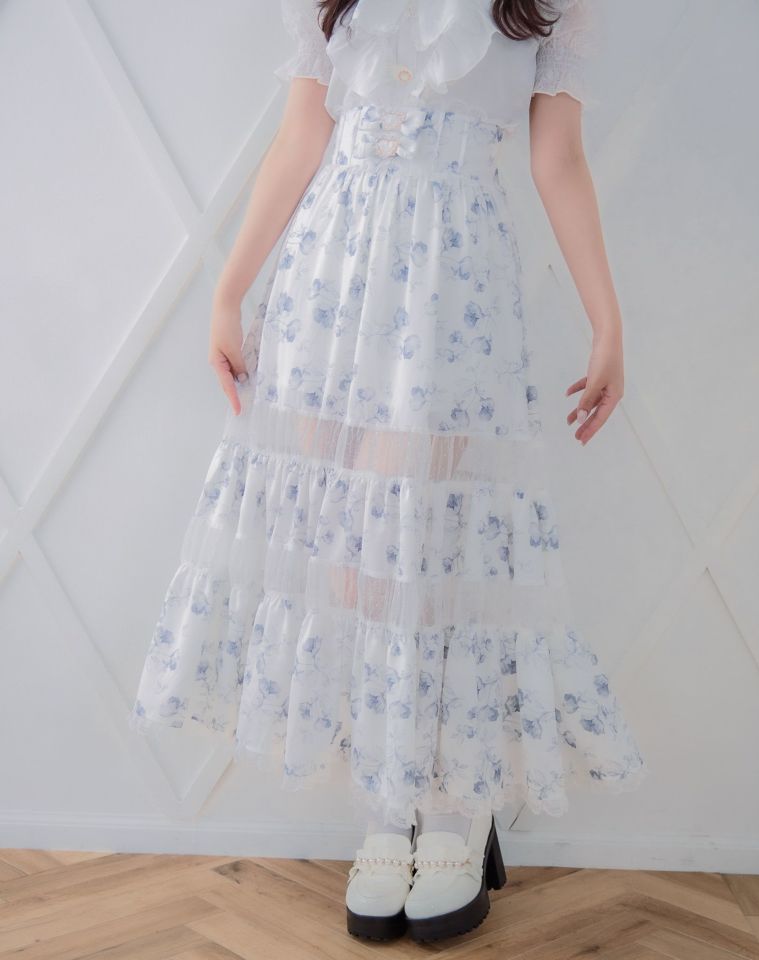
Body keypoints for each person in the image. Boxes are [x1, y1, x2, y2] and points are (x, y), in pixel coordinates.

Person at [128, 0, 648, 944]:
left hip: (455, 284)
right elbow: (301, 136)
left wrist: (608, 319)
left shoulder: (548, 6)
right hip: (329, 280)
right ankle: (388, 800)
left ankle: (457, 807)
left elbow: (558, 159)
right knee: (349, 554)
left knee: (441, 549)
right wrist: (230, 291)